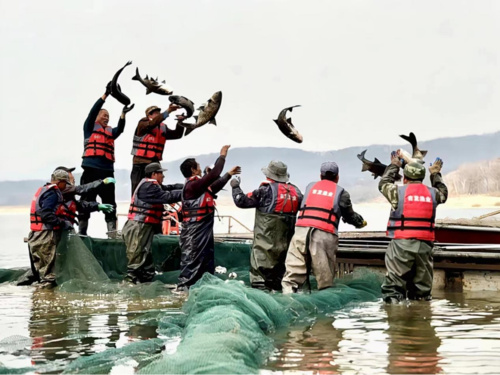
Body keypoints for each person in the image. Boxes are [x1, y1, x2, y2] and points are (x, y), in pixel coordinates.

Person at [282, 162, 367, 293]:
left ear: (320, 175)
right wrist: (360, 222)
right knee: (324, 276)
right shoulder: (342, 193)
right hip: (323, 233)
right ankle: (324, 306)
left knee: (293, 272)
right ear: (337, 177)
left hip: (301, 231)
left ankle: (288, 296)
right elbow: (349, 216)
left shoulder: (310, 187)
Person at [379, 154, 447, 303]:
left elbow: (383, 183)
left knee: (394, 288)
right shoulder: (434, 193)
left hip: (401, 245)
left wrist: (395, 164)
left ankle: (396, 316)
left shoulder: (397, 192)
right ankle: (421, 317)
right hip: (425, 245)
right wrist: (435, 173)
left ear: (404, 178)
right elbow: (444, 193)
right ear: (422, 178)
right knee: (422, 291)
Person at [230, 160, 303, 291]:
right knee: (279, 284)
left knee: (260, 283)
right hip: (285, 251)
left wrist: (235, 186)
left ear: (269, 175)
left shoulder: (265, 191)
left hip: (264, 250)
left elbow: (241, 201)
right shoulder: (296, 192)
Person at [177, 145, 240, 290]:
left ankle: (202, 287)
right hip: (194, 231)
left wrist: (229, 174)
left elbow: (214, 186)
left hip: (202, 229)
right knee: (193, 261)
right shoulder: (192, 185)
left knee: (205, 260)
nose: (200, 168)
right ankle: (184, 289)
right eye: (198, 166)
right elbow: (213, 175)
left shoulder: (198, 186)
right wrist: (222, 155)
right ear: (193, 170)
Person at [79, 83, 134, 237]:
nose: (106, 117)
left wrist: (123, 114)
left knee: (110, 203)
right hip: (90, 171)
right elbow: (93, 111)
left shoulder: (110, 133)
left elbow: (120, 129)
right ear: (97, 117)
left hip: (107, 173)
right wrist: (105, 95)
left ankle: (112, 233)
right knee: (86, 201)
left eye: (108, 116)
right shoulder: (89, 127)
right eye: (104, 115)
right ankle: (82, 232)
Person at [122, 162, 183, 283]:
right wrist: (188, 193)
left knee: (145, 259)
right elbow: (166, 196)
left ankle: (145, 282)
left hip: (144, 226)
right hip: (138, 226)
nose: (163, 176)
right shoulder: (148, 187)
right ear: (154, 174)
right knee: (136, 257)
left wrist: (190, 186)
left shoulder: (151, 185)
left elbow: (170, 188)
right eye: (161, 173)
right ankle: (129, 287)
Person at [28, 169, 72, 287]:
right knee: (49, 274)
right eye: (65, 184)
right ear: (60, 182)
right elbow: (46, 214)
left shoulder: (44, 190)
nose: (65, 187)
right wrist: (62, 223)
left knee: (41, 269)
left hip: (35, 234)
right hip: (45, 234)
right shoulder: (52, 193)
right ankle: (47, 296)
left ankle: (39, 299)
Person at [130, 104, 183, 195]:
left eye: (159, 112)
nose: (158, 114)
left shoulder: (163, 127)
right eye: (154, 113)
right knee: (137, 188)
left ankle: (157, 206)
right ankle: (135, 206)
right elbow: (152, 123)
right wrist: (168, 111)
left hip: (154, 163)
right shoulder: (143, 123)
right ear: (149, 116)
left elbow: (177, 135)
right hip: (140, 163)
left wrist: (180, 122)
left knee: (157, 187)